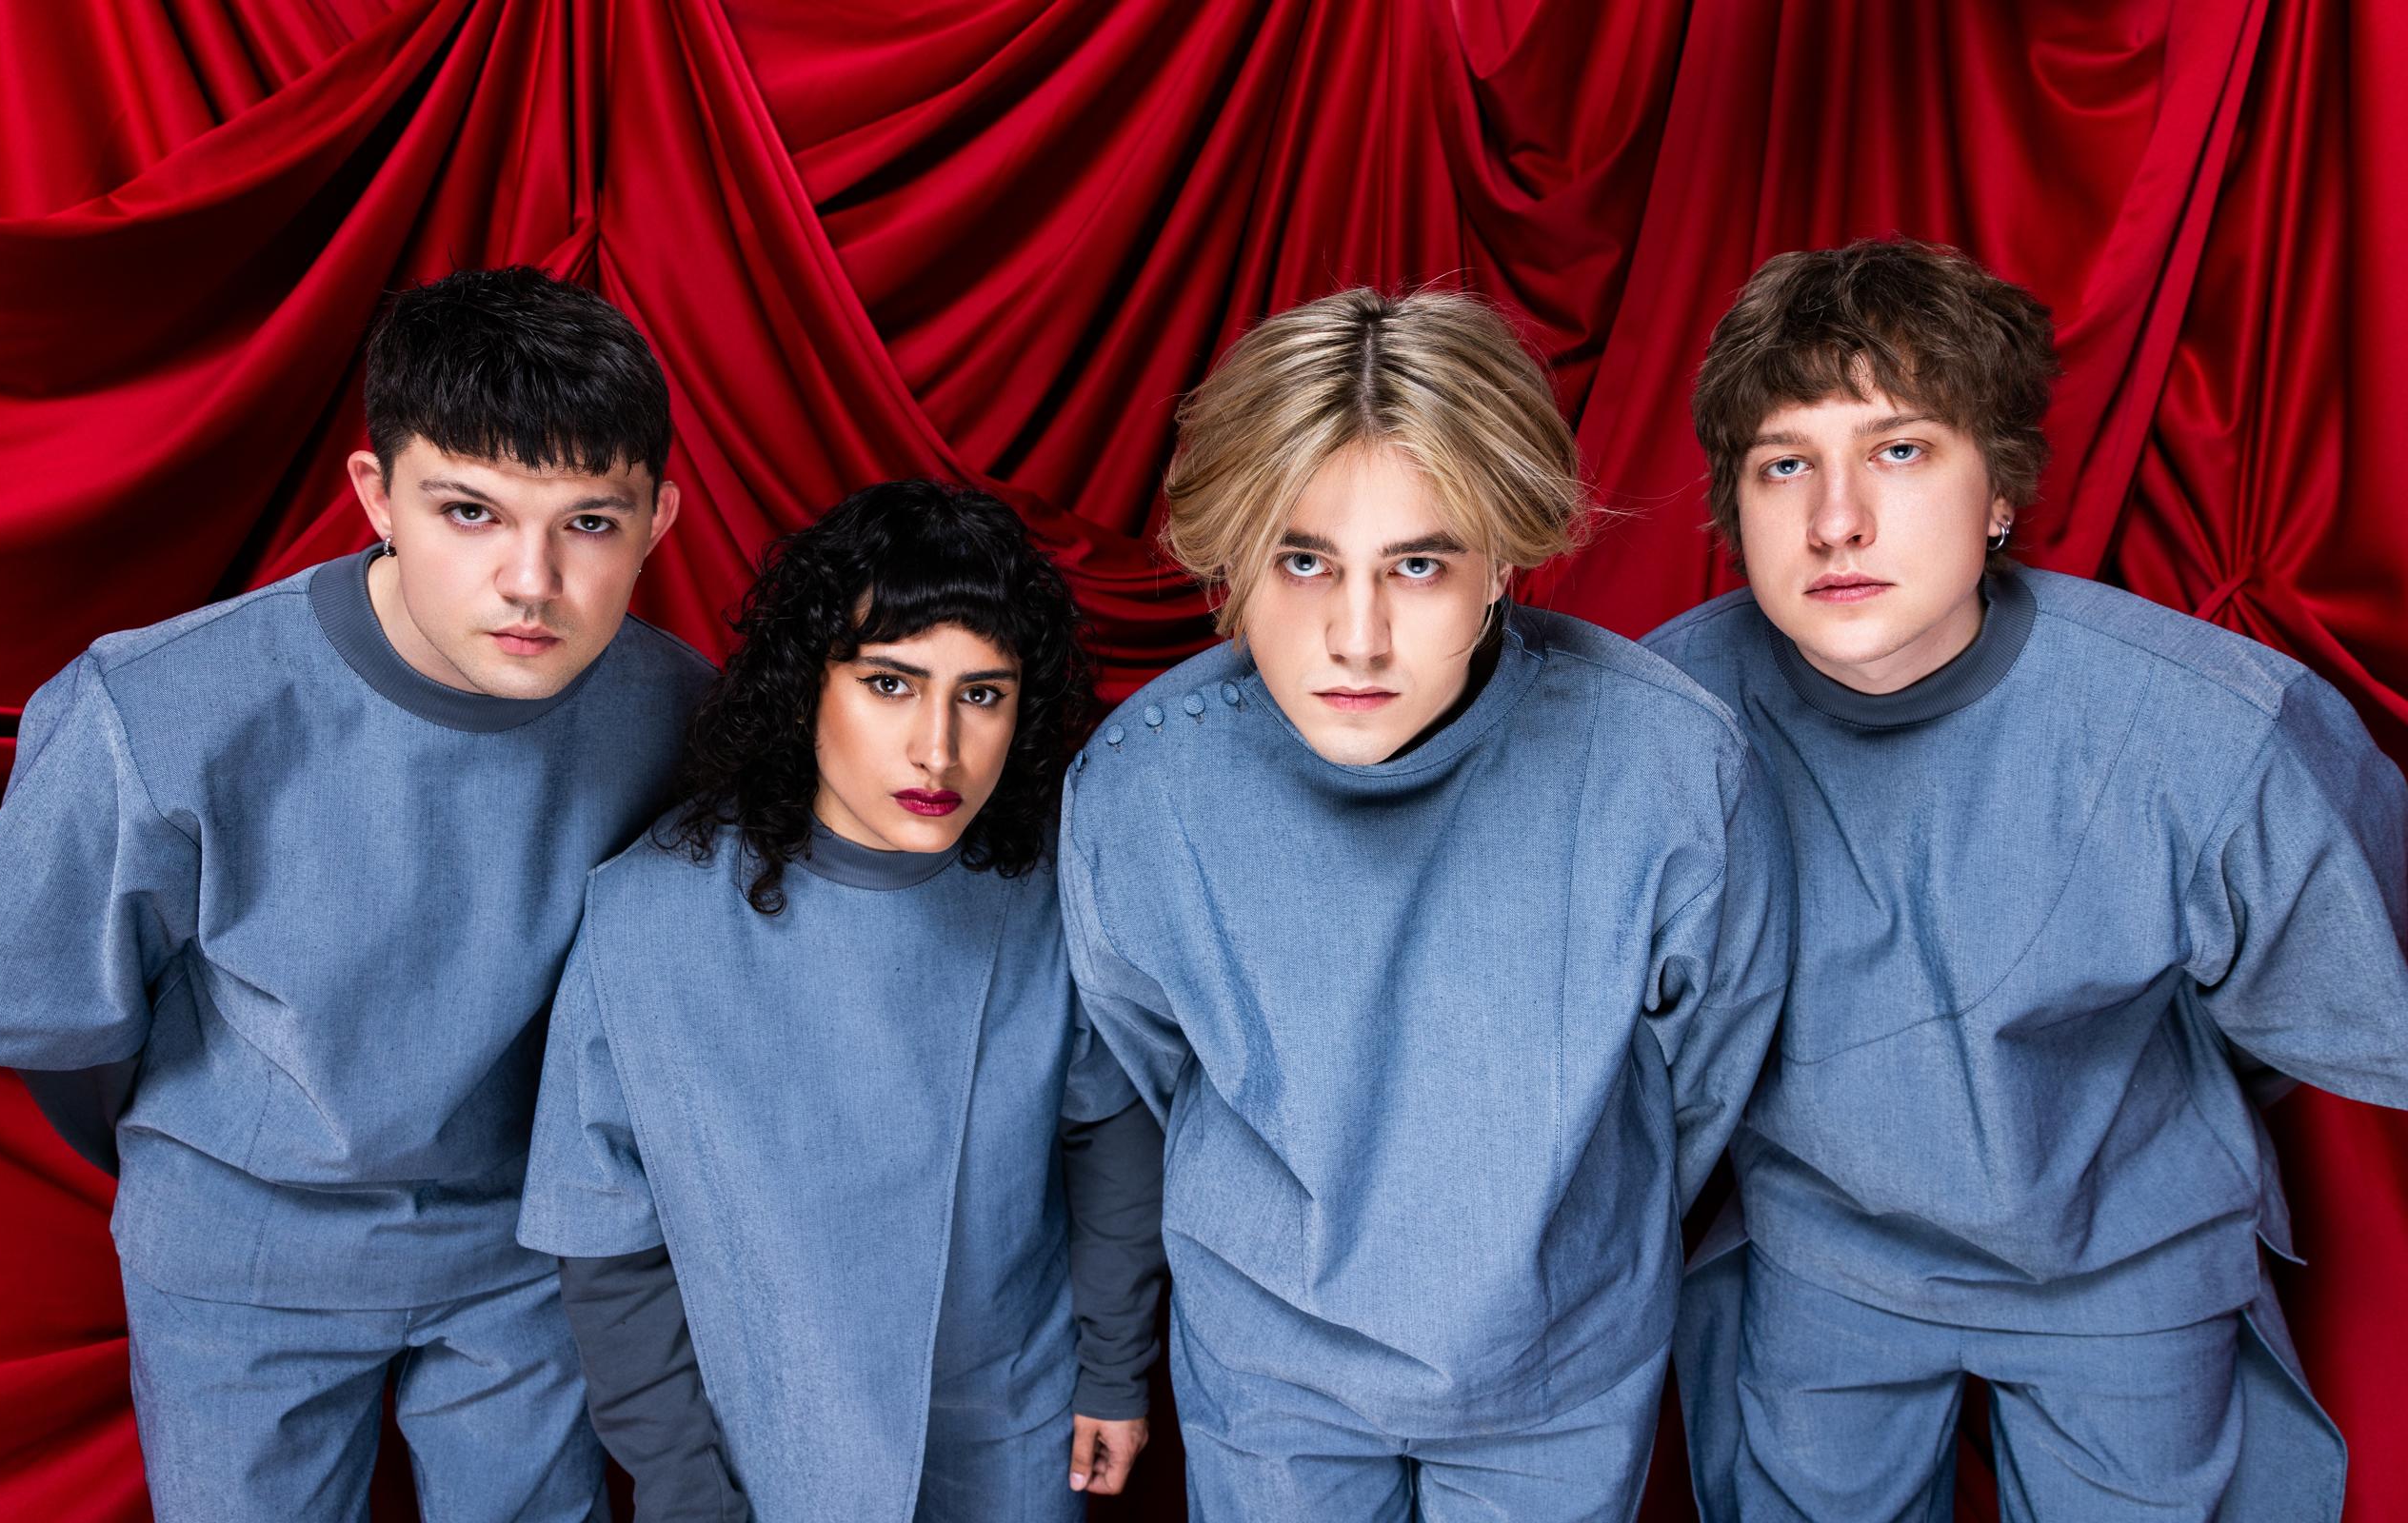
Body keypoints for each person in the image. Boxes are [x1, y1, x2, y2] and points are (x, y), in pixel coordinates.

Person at [1644, 236, 2408, 1522]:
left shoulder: (2209, 726)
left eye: (1899, 450)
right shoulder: (1663, 722)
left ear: (1999, 490)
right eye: (1785, 465)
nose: (1835, 521)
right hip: (1825, 1256)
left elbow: (2344, 984)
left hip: (2126, 1254)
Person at [0, 266, 709, 1520]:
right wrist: (229, 1145)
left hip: (526, 1253)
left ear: (658, 521)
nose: (531, 579)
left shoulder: (678, 711)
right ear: (377, 496)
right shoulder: (160, 707)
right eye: (469, 511)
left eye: (589, 522)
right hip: (238, 1250)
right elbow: (56, 1016)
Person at [1057, 287, 1793, 1520]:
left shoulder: (1669, 767)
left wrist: (1554, 1230)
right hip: (1267, 1375)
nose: (1357, 637)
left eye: (1417, 563)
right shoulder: (1141, 787)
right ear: (1233, 558)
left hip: (1560, 1366)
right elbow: (1149, 1063)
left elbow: (1703, 1076)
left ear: (1500, 560)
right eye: (1303, 561)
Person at [517, 480, 1168, 1522]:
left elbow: (1112, 1133)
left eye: (982, 694)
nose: (938, 749)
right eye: (891, 684)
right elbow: (606, 1247)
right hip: (760, 1454)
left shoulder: (1048, 894)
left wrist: (1112, 1369)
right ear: (806, 685)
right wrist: (686, 1486)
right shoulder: (645, 917)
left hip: (1014, 1430)